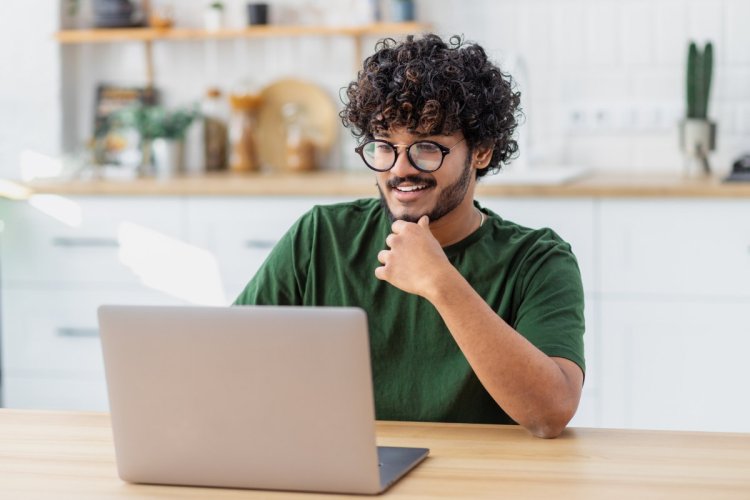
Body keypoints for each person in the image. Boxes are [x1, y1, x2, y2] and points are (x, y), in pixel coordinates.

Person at [235, 34, 585, 438]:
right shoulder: (321, 236)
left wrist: (440, 281)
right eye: (385, 146)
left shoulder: (537, 260)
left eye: (426, 147)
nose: (400, 169)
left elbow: (550, 413)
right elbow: (230, 359)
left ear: (482, 151)